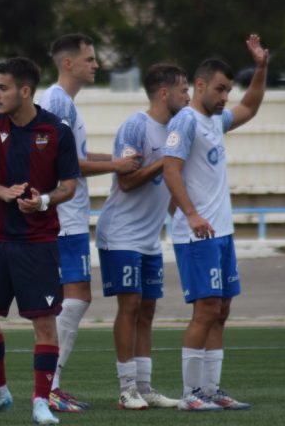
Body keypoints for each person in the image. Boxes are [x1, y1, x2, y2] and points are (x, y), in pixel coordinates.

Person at [0, 57, 79, 425]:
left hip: (38, 242)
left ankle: (41, 400)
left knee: (44, 321)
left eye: (3, 87)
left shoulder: (57, 131)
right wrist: (5, 193)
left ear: (24, 91)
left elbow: (69, 185)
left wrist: (42, 200)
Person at [162, 35, 268, 411]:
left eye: (229, 90)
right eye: (220, 89)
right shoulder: (186, 121)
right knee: (205, 309)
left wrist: (260, 67)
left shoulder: (214, 121)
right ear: (201, 85)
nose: (226, 97)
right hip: (197, 234)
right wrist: (191, 213)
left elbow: (250, 107)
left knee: (221, 310)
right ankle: (190, 395)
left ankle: (211, 390)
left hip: (221, 232)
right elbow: (169, 168)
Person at [37, 33, 141, 413]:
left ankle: (51, 384)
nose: (96, 64)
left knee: (76, 298)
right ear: (68, 63)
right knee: (75, 299)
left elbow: (78, 156)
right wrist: (116, 165)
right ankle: (49, 385)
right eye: (90, 58)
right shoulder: (57, 101)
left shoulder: (65, 104)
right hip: (63, 216)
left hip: (72, 215)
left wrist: (120, 158)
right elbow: (67, 164)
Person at [96, 63, 190, 411]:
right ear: (164, 92)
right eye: (183, 89)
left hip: (150, 237)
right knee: (130, 304)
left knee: (148, 309)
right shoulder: (136, 125)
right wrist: (164, 162)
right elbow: (126, 180)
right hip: (121, 233)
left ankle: (145, 386)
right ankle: (126, 389)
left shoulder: (178, 129)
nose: (188, 96)